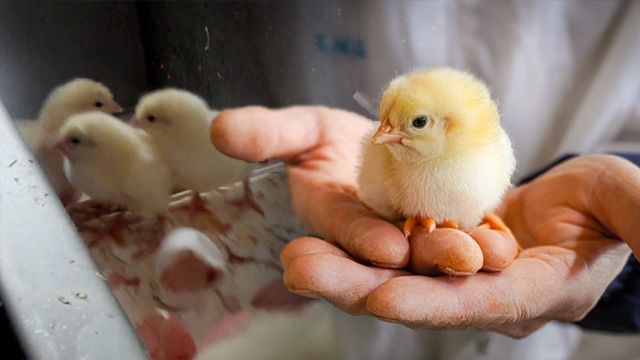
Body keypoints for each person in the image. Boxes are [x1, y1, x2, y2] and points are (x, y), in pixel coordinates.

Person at [211, 105, 640, 358]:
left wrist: (619, 269)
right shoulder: (393, 150)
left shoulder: (474, 149)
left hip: (550, 309)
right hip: (349, 306)